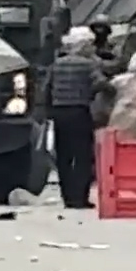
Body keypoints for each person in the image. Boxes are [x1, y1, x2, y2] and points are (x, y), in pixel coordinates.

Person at [46, 26, 103, 209]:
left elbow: (46, 87)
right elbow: (101, 83)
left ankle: (68, 197)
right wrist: (91, 93)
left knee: (63, 155)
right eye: (91, 45)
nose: (93, 48)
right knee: (82, 155)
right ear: (84, 45)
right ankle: (80, 197)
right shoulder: (88, 65)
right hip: (80, 111)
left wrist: (48, 110)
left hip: (59, 112)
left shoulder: (57, 64)